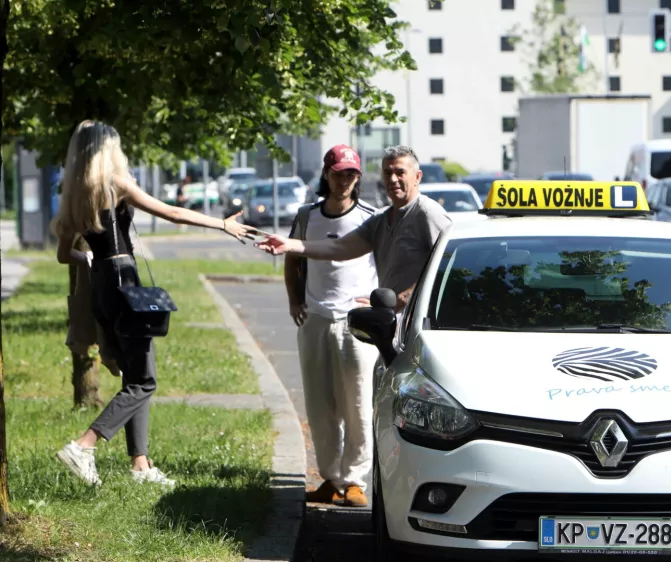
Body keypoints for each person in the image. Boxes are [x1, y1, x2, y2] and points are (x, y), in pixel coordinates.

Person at [52, 120, 258, 487]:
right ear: (107, 149)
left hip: (101, 285)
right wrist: (222, 225)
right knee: (144, 382)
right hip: (124, 281)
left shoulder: (73, 193)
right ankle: (84, 445)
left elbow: (63, 254)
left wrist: (89, 260)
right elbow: (172, 212)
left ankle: (141, 465)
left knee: (133, 375)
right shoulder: (116, 185)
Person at [284, 145, 380, 507]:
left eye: (352, 174)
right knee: (319, 406)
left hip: (356, 325)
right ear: (326, 174)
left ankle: (354, 481)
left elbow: (387, 262)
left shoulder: (371, 217)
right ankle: (330, 477)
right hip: (315, 321)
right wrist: (295, 300)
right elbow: (292, 260)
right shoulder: (307, 216)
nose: (345, 180)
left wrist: (377, 301)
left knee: (357, 404)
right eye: (339, 173)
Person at [255, 145, 452, 316]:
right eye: (387, 173)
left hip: (421, 322)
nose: (392, 179)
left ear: (417, 177)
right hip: (392, 324)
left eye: (400, 172)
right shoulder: (381, 219)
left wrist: (408, 295)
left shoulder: (428, 213)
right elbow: (339, 248)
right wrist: (289, 244)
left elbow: (450, 264)